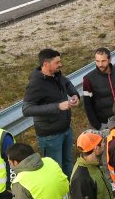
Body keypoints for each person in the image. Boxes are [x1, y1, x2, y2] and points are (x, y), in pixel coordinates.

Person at [21, 48, 80, 177]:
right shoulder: (36, 84)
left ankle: (71, 190)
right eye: (57, 62)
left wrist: (75, 95)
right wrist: (58, 106)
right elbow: (26, 109)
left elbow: (66, 83)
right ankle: (60, 195)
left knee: (68, 163)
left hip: (65, 129)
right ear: (46, 64)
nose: (61, 64)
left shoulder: (57, 74)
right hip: (50, 136)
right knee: (55, 169)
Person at [81, 47, 115, 132]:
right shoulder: (88, 79)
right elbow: (88, 105)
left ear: (109, 59)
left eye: (103, 61)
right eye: (97, 61)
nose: (100, 64)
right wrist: (97, 126)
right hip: (105, 124)